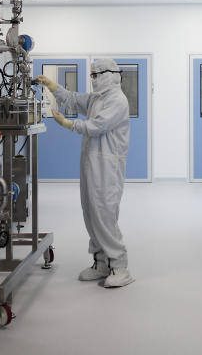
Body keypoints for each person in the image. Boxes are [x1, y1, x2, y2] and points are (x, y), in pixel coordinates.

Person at [35, 59, 133, 287]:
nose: (94, 79)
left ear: (110, 74)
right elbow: (73, 99)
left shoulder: (117, 100)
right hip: (91, 163)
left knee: (104, 214)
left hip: (107, 166)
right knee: (90, 212)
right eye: (92, 75)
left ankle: (120, 266)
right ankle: (100, 263)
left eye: (97, 75)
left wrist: (69, 125)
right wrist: (52, 86)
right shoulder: (97, 98)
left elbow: (97, 126)